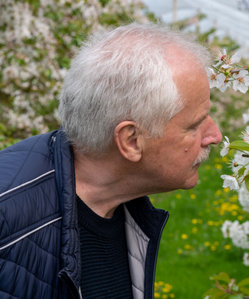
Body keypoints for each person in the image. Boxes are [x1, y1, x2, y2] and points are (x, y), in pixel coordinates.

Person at [0, 23, 222, 299]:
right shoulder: (8, 226)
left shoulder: (129, 209)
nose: (215, 136)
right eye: (194, 125)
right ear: (130, 141)